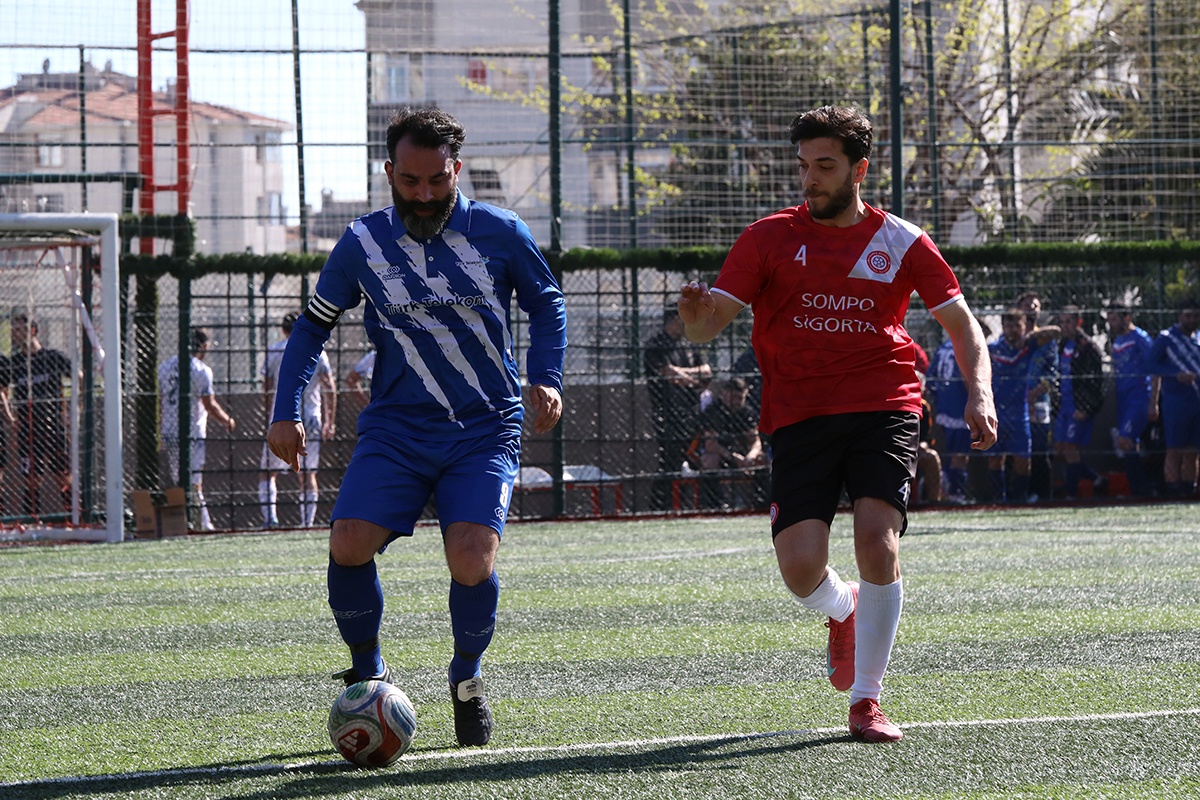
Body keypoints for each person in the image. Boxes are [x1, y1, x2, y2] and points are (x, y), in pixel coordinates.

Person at [677, 105, 997, 743]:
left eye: (825, 166)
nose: (810, 178)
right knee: (800, 570)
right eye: (804, 166)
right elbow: (707, 327)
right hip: (798, 414)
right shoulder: (767, 238)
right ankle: (844, 606)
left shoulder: (903, 241)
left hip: (885, 404)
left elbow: (963, 326)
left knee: (878, 542)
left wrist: (979, 393)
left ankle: (866, 700)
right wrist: (693, 315)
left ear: (859, 169)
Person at [267, 107, 566, 748]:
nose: (424, 195)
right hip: (397, 429)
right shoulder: (361, 243)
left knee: (471, 558)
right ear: (389, 173)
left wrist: (546, 376)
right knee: (348, 542)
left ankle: (467, 678)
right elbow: (313, 326)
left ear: (456, 170)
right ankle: (368, 670)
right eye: (410, 181)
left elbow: (547, 303)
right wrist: (285, 409)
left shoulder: (501, 231)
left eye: (437, 180)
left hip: (485, 426)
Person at [259, 312, 337, 528]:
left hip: (282, 417)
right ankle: (307, 523)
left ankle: (270, 519)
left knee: (268, 471)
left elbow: (266, 388)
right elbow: (330, 387)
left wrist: (268, 415)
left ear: (283, 330)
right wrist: (330, 421)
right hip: (311, 417)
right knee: (308, 473)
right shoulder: (318, 351)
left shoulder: (275, 350)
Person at [158, 328, 236, 531]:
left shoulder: (165, 366)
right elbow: (209, 404)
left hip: (169, 429)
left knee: (179, 478)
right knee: (194, 479)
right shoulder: (201, 370)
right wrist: (227, 420)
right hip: (193, 431)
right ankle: (202, 522)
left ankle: (189, 520)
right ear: (202, 346)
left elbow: (161, 402)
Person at [987, 309, 1060, 504]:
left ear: (1024, 326)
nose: (1012, 330)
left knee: (1023, 459)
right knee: (995, 458)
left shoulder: (1029, 346)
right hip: (996, 411)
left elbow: (1055, 331)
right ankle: (998, 500)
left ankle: (1018, 500)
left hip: (1020, 413)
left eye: (1016, 325)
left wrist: (1029, 337)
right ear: (1003, 327)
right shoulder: (994, 349)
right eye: (1008, 326)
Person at [644, 307, 712, 509]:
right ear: (674, 319)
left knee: (690, 459)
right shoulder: (656, 345)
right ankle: (660, 506)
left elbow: (707, 371)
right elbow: (668, 373)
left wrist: (684, 375)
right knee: (670, 459)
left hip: (691, 410)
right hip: (666, 412)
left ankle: (681, 504)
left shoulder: (688, 343)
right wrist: (694, 379)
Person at [9, 310, 73, 517]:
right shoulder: (14, 363)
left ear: (33, 331)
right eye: (13, 330)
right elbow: (3, 389)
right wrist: (11, 416)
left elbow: (79, 377)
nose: (15, 334)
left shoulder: (52, 357)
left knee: (63, 475)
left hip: (54, 425)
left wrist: (75, 411)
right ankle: (31, 521)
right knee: (31, 479)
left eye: (20, 329)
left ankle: (74, 517)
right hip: (28, 427)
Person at [1148, 298, 1200, 498]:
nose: (1191, 320)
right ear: (1179, 316)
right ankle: (1172, 490)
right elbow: (1150, 364)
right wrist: (1174, 375)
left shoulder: (1198, 338)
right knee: (1174, 449)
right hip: (1176, 403)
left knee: (1193, 451)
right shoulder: (1167, 338)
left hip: (1197, 402)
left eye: (1195, 316)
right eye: (1187, 315)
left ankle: (1189, 490)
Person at [689, 376, 767, 510]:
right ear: (725, 393)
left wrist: (750, 456)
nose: (737, 402)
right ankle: (714, 506)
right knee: (710, 460)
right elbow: (711, 445)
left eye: (740, 398)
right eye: (734, 397)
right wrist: (733, 457)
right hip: (721, 454)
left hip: (742, 455)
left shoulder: (746, 412)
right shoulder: (714, 411)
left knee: (762, 459)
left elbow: (755, 441)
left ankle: (762, 505)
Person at [1053, 306, 1106, 499]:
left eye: (1069, 321)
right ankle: (1095, 478)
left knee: (1071, 448)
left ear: (1078, 322)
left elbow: (1096, 382)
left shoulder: (1088, 347)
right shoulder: (1062, 345)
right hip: (1064, 405)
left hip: (1079, 406)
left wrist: (1086, 407)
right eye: (1062, 322)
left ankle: (1071, 495)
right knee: (1059, 451)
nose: (1065, 326)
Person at [1105, 306, 1156, 497]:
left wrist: (1153, 401)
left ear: (1126, 318)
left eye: (1114, 319)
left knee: (1124, 440)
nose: (1110, 324)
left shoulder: (1140, 338)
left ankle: (1144, 490)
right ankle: (1138, 492)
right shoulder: (1118, 341)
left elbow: (1153, 368)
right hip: (1123, 398)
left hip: (1139, 397)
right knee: (1128, 445)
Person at [1014, 292, 1058, 501]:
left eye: (1035, 305)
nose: (1032, 308)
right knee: (1018, 451)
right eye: (1027, 305)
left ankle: (1043, 495)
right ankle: (1019, 493)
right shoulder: (1013, 338)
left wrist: (1033, 395)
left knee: (1040, 450)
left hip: (1039, 403)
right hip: (1014, 403)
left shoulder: (1047, 340)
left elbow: (1051, 373)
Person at [927, 333, 973, 502]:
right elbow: (966, 376)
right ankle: (954, 492)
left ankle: (945, 488)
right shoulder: (964, 347)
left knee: (948, 454)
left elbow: (930, 379)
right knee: (959, 456)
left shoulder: (943, 347)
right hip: (959, 409)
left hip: (944, 409)